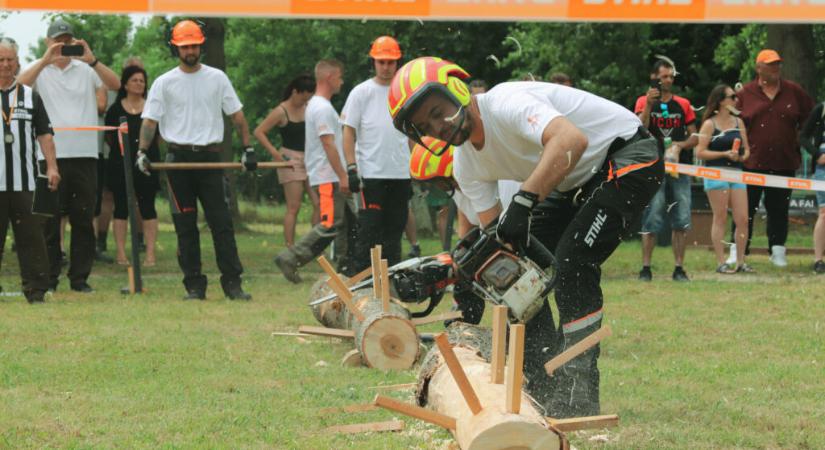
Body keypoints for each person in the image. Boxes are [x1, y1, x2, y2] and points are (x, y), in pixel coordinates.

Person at [389, 56, 663, 418]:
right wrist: (461, 274)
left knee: (573, 261)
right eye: (427, 126)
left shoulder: (506, 102)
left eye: (439, 113)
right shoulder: (466, 164)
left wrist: (524, 200)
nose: (439, 127)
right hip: (574, 183)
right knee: (511, 277)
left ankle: (580, 389)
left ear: (457, 88)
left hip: (627, 156)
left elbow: (571, 139)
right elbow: (499, 250)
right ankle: (542, 381)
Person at [139, 19, 255, 300]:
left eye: (194, 45)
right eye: (184, 46)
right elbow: (150, 122)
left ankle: (233, 284)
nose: (190, 51)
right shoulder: (164, 82)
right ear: (175, 48)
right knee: (185, 228)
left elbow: (237, 117)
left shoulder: (217, 78)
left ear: (201, 45)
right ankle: (194, 286)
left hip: (211, 161)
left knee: (222, 225)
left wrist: (248, 149)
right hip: (178, 162)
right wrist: (142, 152)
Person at [18, 18, 121, 293]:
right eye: (57, 40)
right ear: (48, 42)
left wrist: (92, 59)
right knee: (47, 221)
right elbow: (18, 87)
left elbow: (115, 84)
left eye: (67, 40)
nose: (62, 45)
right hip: (47, 157)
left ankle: (79, 278)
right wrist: (44, 60)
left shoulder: (87, 69)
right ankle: (48, 277)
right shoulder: (38, 70)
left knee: (83, 219)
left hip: (86, 155)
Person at [409, 137, 520, 325]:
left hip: (515, 233)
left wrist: (461, 265)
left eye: (439, 181)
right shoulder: (459, 188)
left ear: (451, 171)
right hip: (496, 231)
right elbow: (466, 226)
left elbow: (496, 238)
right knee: (463, 267)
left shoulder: (480, 180)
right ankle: (464, 324)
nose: (438, 187)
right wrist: (457, 258)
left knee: (502, 278)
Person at [730, 49, 814, 267]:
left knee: (779, 209)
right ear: (759, 68)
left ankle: (778, 251)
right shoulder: (745, 94)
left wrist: (800, 140)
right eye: (770, 64)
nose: (776, 68)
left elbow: (811, 119)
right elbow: (731, 125)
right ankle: (737, 250)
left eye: (778, 64)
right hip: (751, 163)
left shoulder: (794, 91)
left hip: (784, 162)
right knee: (745, 209)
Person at [274, 59, 349, 283]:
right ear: (329, 78)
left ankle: (347, 269)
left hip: (330, 176)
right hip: (328, 177)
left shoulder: (317, 106)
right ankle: (291, 257)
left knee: (345, 223)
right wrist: (343, 175)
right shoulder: (322, 108)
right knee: (329, 223)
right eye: (339, 77)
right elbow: (328, 144)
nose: (342, 81)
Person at [0, 37, 61, 303]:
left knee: (32, 238)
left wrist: (52, 167)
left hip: (25, 183)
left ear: (17, 62)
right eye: (0, 60)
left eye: (9, 60)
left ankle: (36, 290)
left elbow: (45, 135)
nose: (4, 65)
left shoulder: (29, 95)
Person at [342, 36, 411, 270]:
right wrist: (351, 168)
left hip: (401, 174)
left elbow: (414, 133)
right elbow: (348, 131)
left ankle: (391, 284)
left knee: (394, 232)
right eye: (381, 62)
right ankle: (362, 283)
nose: (385, 67)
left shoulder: (405, 92)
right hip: (371, 175)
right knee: (369, 231)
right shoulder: (361, 92)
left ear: (397, 63)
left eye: (390, 62)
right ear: (373, 62)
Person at [635, 59, 698, 282]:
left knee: (681, 216)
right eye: (664, 77)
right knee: (652, 215)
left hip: (678, 168)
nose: (668, 80)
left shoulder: (683, 104)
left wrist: (680, 145)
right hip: (653, 166)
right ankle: (646, 268)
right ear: (654, 78)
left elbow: (695, 136)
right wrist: (649, 106)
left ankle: (679, 268)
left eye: (671, 76)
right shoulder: (644, 100)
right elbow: (639, 130)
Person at [254, 74, 320, 248]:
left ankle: (314, 245)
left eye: (309, 97)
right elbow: (259, 132)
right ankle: (290, 246)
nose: (304, 101)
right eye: (303, 96)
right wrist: (276, 155)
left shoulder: (309, 108)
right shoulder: (281, 111)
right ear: (294, 92)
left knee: (319, 203)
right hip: (291, 159)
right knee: (294, 206)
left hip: (310, 158)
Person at [104, 65, 159, 266]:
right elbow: (110, 138)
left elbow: (157, 136)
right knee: (120, 208)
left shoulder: (152, 107)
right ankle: (120, 253)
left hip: (147, 164)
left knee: (148, 207)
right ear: (125, 84)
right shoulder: (115, 109)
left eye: (142, 80)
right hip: (120, 165)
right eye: (134, 80)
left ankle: (150, 254)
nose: (139, 84)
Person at [695, 85, 753, 273]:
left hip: (736, 172)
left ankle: (741, 261)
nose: (736, 100)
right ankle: (721, 261)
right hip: (715, 172)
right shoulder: (709, 124)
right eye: (732, 97)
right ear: (721, 101)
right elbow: (700, 151)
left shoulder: (739, 122)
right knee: (720, 217)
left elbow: (746, 151)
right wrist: (724, 153)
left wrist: (739, 157)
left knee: (743, 218)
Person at [799, 99, 825, 274]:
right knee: (824, 213)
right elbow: (803, 136)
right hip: (823, 169)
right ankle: (818, 259)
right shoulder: (821, 109)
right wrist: (817, 154)